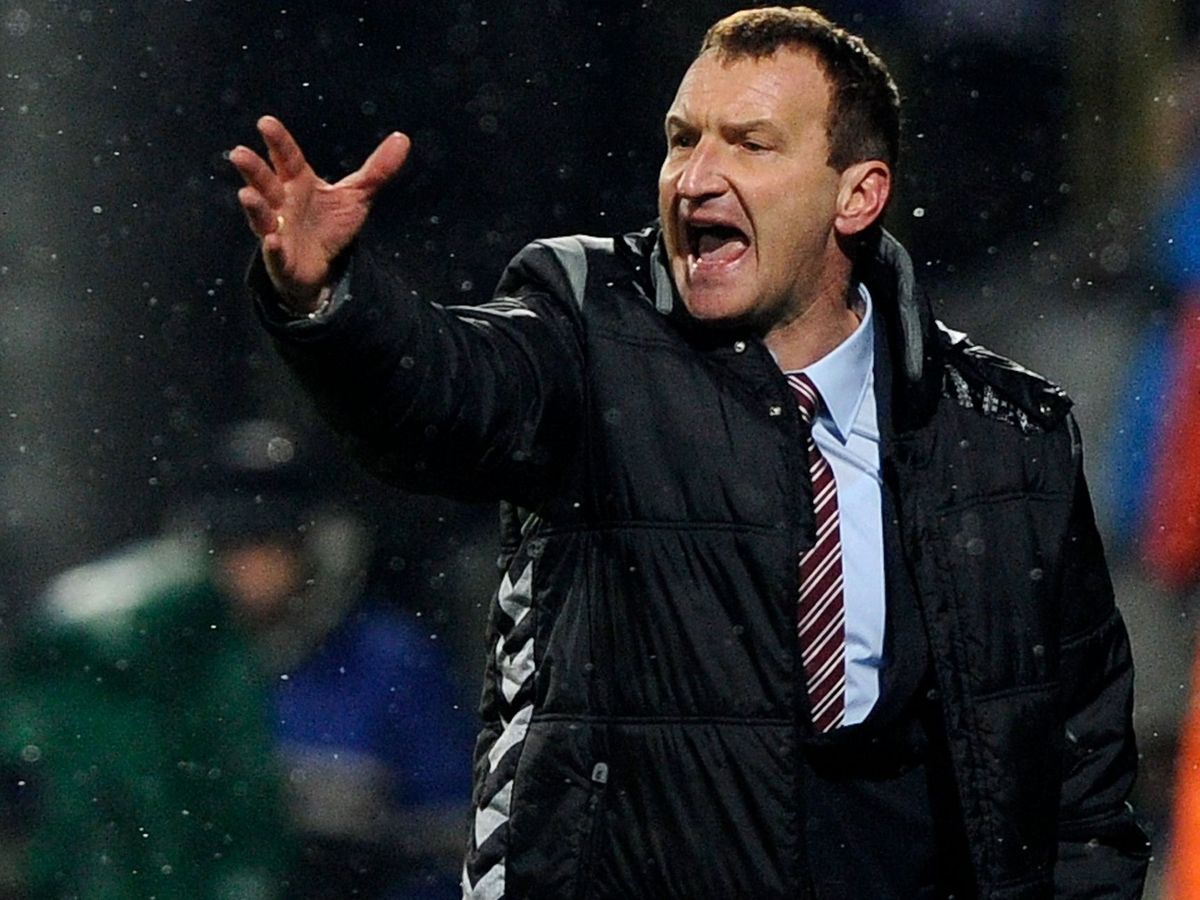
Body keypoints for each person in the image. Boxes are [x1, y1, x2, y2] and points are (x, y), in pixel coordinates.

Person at [229, 7, 1149, 899]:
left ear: (858, 194)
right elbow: (442, 392)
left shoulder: (1008, 432)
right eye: (682, 139)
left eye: (750, 144)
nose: (695, 177)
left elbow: (1081, 774)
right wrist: (334, 305)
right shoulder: (588, 330)